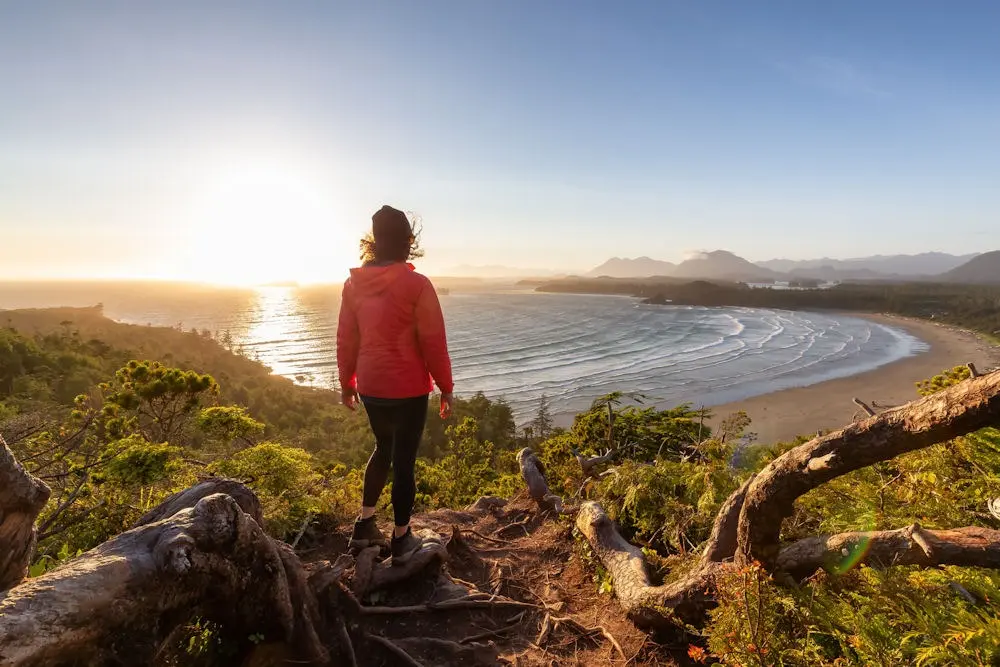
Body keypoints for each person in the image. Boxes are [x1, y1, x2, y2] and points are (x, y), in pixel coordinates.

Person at [336, 205, 455, 565]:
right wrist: (445, 386)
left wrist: (347, 383)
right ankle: (402, 539)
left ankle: (364, 524)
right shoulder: (417, 285)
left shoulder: (353, 285)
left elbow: (347, 338)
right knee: (404, 460)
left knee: (383, 448)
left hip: (372, 385)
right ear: (407, 242)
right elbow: (433, 341)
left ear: (374, 241)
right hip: (408, 388)